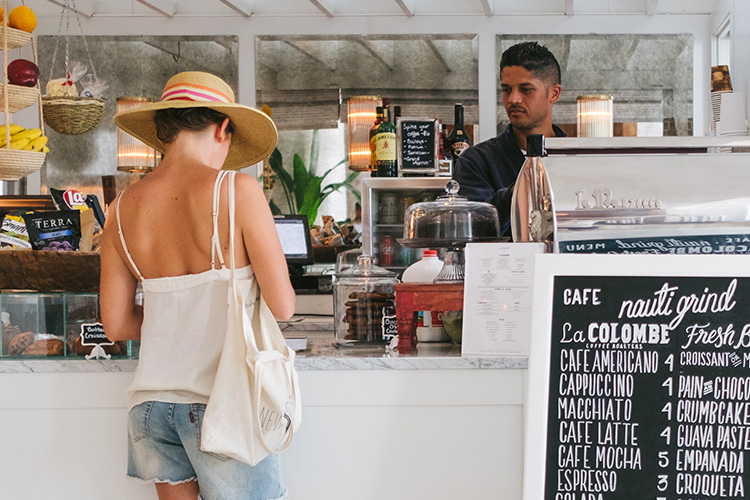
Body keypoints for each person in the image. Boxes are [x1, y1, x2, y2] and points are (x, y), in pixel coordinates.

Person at [100, 71, 295, 500]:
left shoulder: (120, 210)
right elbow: (282, 306)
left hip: (150, 410)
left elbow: (115, 324)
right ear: (224, 127)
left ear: (161, 130)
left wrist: (177, 318)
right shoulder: (237, 191)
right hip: (222, 404)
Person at [452, 41, 566, 236]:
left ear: (553, 93)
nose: (513, 99)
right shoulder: (476, 162)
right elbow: (472, 232)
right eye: (506, 90)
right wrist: (521, 189)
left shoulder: (576, 159)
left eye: (525, 89)